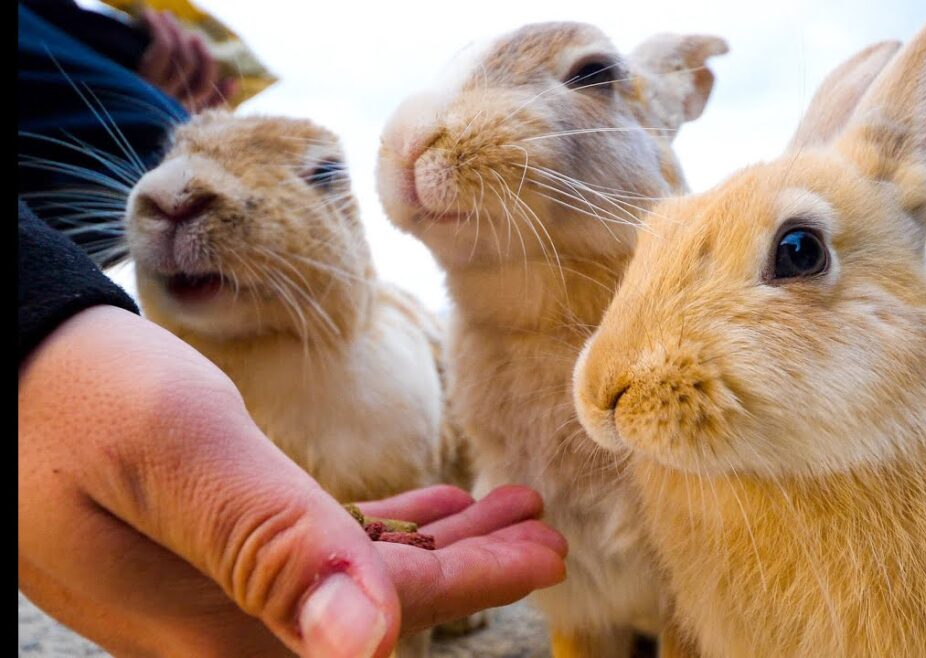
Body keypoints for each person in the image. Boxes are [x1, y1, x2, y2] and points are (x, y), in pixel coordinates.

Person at [17, 4, 568, 657]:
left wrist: (104, 33)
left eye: (322, 176)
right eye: (174, 160)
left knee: (138, 114)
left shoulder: (402, 355)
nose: (172, 196)